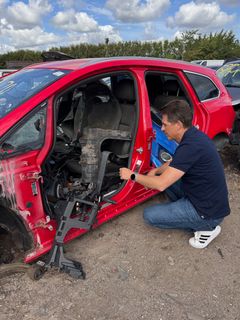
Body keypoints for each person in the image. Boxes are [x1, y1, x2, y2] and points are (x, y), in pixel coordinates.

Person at [119, 100, 230, 248]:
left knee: (150, 216)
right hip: (202, 196)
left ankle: (207, 229)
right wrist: (156, 171)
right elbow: (175, 162)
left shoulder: (190, 146)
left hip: (207, 213)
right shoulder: (193, 137)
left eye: (165, 124)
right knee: (162, 177)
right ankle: (182, 212)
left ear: (178, 125)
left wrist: (132, 175)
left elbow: (160, 185)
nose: (162, 128)